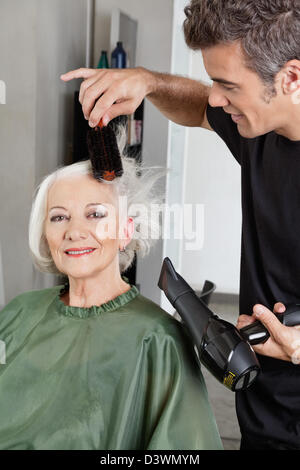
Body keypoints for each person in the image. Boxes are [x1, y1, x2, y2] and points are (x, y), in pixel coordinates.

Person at [61, 0, 300, 451]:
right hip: (262, 415)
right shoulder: (262, 131)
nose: (215, 96)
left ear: (290, 78)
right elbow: (197, 107)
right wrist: (149, 82)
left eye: (227, 84)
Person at [0, 127, 222, 450]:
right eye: (59, 217)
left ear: (125, 231)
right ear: (44, 233)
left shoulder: (158, 339)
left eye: (96, 215)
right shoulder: (19, 314)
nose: (75, 231)